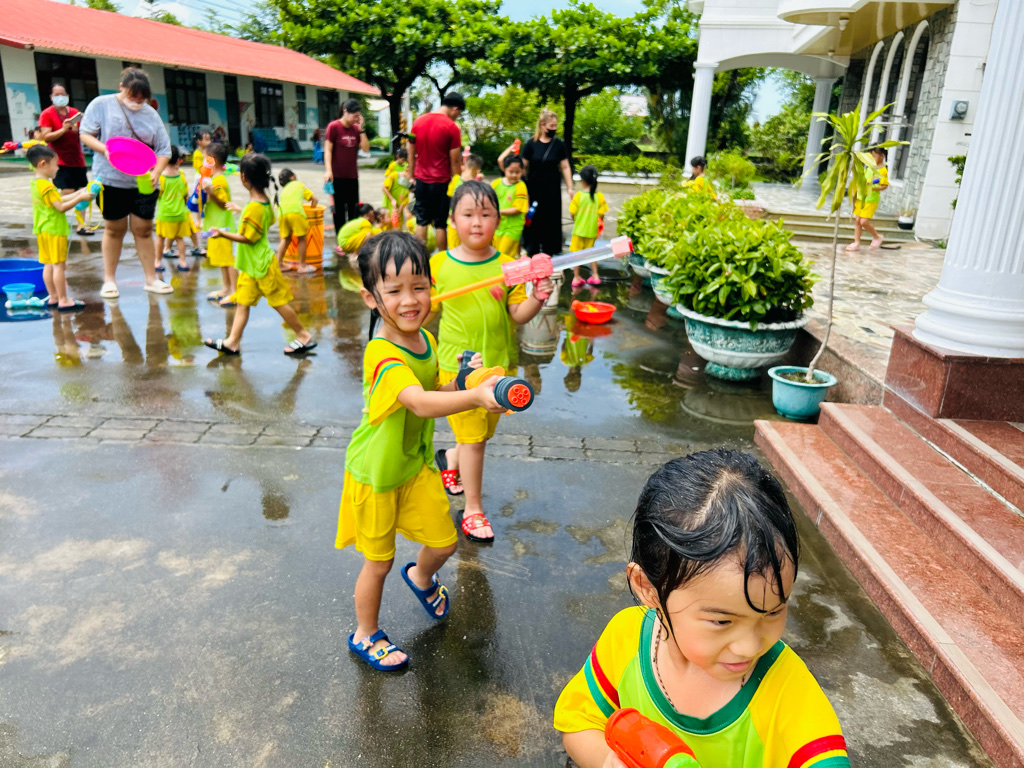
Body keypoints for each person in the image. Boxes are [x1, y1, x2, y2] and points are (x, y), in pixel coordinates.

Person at [554, 450, 850, 768]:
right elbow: (578, 723)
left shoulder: (786, 690)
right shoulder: (626, 641)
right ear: (647, 588)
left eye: (773, 612)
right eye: (722, 621)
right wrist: (607, 761)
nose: (750, 646)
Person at [339, 229, 504, 670]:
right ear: (371, 298)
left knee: (445, 542)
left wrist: (464, 382)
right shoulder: (381, 353)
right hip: (377, 474)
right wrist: (474, 397)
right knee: (378, 563)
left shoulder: (425, 342)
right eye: (394, 291)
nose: (410, 300)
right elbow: (418, 402)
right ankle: (365, 634)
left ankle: (422, 576)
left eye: (419, 286)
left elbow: (434, 390)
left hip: (413, 466)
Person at [430, 181, 553, 542]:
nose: (477, 222)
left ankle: (451, 459)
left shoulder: (508, 267)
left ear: (498, 220)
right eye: (468, 214)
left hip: (499, 369)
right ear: (453, 220)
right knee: (475, 440)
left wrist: (538, 297)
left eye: (485, 214)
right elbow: (424, 313)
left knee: (481, 434)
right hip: (460, 372)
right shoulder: (438, 265)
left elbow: (517, 314)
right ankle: (473, 509)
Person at [202, 153, 317, 357]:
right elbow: (268, 220)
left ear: (243, 177)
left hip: (261, 266)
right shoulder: (262, 201)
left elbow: (248, 238)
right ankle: (232, 342)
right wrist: (242, 209)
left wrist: (221, 233)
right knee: (243, 303)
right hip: (251, 266)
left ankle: (303, 335)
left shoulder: (254, 207)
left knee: (278, 302)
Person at [79, 67, 173, 299]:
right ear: (121, 87)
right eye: (133, 96)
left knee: (144, 230)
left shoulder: (150, 114)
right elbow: (85, 133)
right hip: (110, 179)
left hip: (143, 181)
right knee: (114, 229)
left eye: (142, 98)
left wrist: (156, 172)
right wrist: (105, 150)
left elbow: (164, 149)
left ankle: (151, 279)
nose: (138, 101)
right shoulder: (102, 105)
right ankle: (109, 281)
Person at [27, 145, 92, 310]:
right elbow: (61, 207)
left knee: (48, 264)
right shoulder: (47, 186)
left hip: (42, 229)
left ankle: (54, 297)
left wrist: (80, 192)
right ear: (43, 164)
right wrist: (80, 199)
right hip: (55, 230)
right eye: (56, 164)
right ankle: (63, 299)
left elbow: (59, 199)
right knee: (58, 266)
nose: (58, 168)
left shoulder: (36, 184)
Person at [406, 92, 465, 253]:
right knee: (440, 223)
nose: (457, 117)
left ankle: (420, 256)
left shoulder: (418, 121)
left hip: (421, 180)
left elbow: (411, 150)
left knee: (421, 220)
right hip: (441, 182)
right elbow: (455, 161)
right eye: (459, 113)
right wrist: (459, 182)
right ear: (455, 108)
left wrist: (411, 173)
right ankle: (442, 258)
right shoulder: (451, 127)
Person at [37, 84, 91, 236]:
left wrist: (75, 129)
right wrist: (63, 129)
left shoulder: (74, 112)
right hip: (58, 160)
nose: (60, 97)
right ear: (51, 97)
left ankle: (81, 225)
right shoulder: (47, 114)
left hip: (77, 159)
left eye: (63, 94)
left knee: (82, 190)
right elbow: (45, 137)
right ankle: (54, 214)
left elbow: (83, 132)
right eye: (56, 95)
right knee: (67, 190)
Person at [521, 110, 574, 257]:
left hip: (552, 189)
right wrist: (521, 185)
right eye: (551, 126)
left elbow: (565, 166)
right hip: (534, 188)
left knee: (551, 219)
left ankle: (550, 250)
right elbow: (522, 166)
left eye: (555, 126)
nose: (554, 129)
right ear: (542, 125)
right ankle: (532, 249)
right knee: (534, 218)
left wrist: (570, 187)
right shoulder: (531, 144)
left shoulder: (559, 145)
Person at [324, 99, 370, 254]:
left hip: (352, 177)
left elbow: (366, 149)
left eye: (358, 116)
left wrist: (361, 130)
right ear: (345, 111)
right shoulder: (334, 127)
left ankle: (352, 241)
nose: (356, 119)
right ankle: (341, 242)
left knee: (353, 210)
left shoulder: (356, 129)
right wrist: (328, 170)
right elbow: (328, 150)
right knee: (338, 211)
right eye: (354, 116)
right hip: (336, 177)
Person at [203, 142, 239, 305]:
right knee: (222, 260)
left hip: (223, 226)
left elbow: (223, 204)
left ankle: (235, 291)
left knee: (228, 260)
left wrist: (211, 193)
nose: (203, 162)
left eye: (205, 159)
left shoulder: (219, 181)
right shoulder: (214, 179)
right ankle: (226, 288)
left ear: (213, 161)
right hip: (217, 225)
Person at [154, 145, 194, 274]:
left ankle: (157, 262)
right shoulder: (181, 176)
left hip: (165, 214)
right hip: (181, 213)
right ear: (178, 160)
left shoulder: (161, 178)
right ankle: (183, 262)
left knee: (160, 238)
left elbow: (158, 194)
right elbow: (185, 194)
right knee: (180, 239)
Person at [569, 165, 609, 287]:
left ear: (583, 181)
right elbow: (602, 215)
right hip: (591, 232)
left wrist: (576, 220)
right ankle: (595, 276)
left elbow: (572, 213)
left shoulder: (578, 196)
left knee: (576, 255)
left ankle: (576, 277)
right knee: (591, 254)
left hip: (579, 230)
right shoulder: (599, 197)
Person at [275, 168, 318, 274]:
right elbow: (314, 199)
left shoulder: (283, 190)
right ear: (293, 177)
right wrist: (312, 210)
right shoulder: (298, 184)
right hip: (295, 212)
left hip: (281, 214)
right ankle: (302, 266)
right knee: (302, 238)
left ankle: (278, 264)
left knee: (285, 239)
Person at [848, 147, 889, 251]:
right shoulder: (869, 168)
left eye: (874, 156)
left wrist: (872, 188)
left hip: (871, 199)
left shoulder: (883, 171)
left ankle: (877, 237)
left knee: (864, 222)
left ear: (882, 156)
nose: (871, 158)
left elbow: (884, 185)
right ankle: (856, 243)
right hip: (861, 197)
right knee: (858, 221)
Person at [491, 155, 529, 258]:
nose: (514, 175)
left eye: (517, 172)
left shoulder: (521, 186)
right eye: (511, 172)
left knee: (504, 255)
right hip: (497, 227)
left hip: (513, 228)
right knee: (494, 254)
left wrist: (498, 212)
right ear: (504, 169)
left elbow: (518, 209)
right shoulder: (496, 184)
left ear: (522, 171)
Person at [446, 153, 483, 249]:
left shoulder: (455, 180)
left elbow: (449, 195)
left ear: (464, 165)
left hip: (453, 221)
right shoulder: (476, 185)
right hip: (468, 222)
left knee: (453, 248)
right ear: (478, 170)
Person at [382, 147, 411, 229]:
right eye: (403, 160)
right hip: (390, 202)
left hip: (399, 203)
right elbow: (385, 185)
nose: (404, 162)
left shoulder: (409, 182)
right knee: (388, 223)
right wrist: (392, 199)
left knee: (398, 224)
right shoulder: (394, 171)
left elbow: (406, 197)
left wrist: (401, 208)